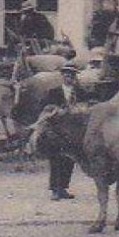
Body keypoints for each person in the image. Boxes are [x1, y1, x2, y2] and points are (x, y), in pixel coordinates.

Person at [45, 63, 82, 201]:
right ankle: (55, 189)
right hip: (57, 131)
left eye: (71, 75)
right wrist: (56, 111)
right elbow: (46, 108)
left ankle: (63, 188)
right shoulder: (53, 92)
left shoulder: (79, 91)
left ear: (74, 77)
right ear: (62, 76)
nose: (69, 77)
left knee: (69, 159)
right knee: (56, 160)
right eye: (66, 74)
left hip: (73, 132)